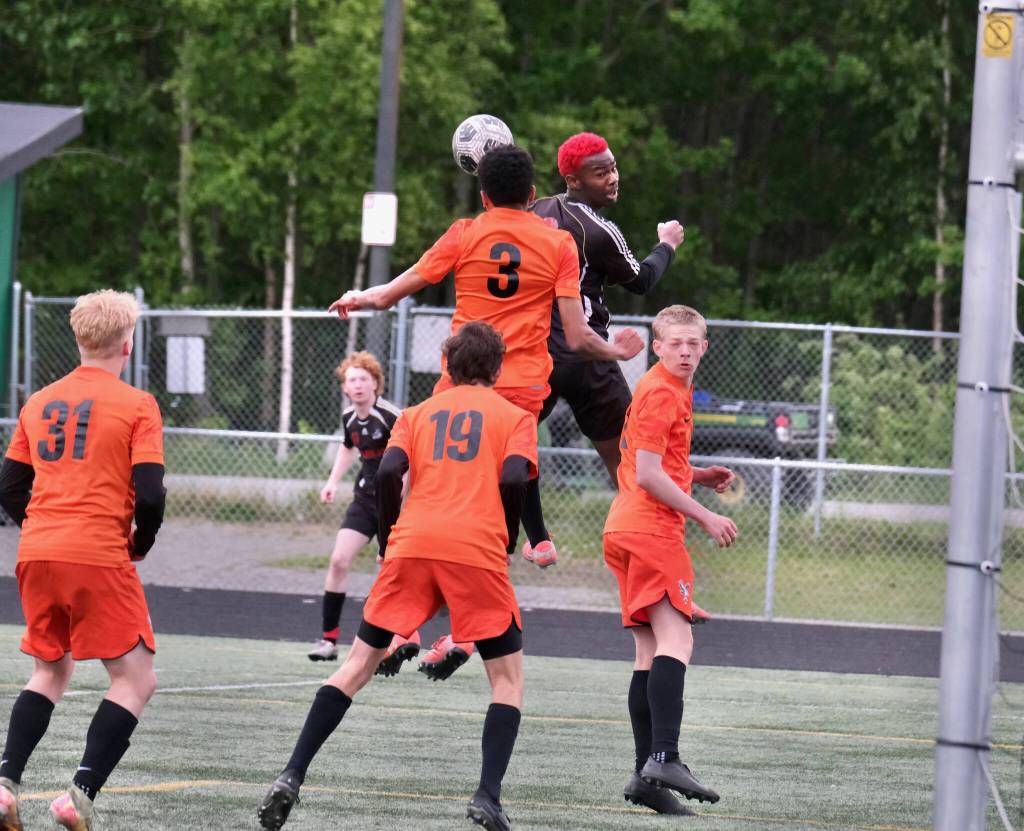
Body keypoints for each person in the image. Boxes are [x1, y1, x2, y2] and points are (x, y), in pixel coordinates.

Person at [328, 144, 643, 680]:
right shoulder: (558, 241)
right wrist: (619, 352)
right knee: (489, 520)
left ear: (481, 193)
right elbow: (577, 336)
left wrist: (360, 295)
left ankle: (403, 625)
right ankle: (483, 614)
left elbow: (393, 294)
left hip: (454, 391)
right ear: (533, 194)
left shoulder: (463, 234)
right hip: (515, 397)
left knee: (422, 502)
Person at [257, 322, 536, 831]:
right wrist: (510, 539)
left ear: (447, 368)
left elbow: (387, 474)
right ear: (498, 369)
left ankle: (291, 774)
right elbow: (515, 477)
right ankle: (487, 797)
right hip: (474, 549)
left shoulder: (414, 414)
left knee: (357, 666)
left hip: (412, 544)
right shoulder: (515, 416)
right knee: (508, 680)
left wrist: (389, 540)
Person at [0, 290, 166, 831]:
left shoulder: (38, 401)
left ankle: (4, 786)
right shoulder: (137, 404)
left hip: (37, 551)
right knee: (135, 679)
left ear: (78, 339)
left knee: (51, 668)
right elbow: (150, 495)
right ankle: (79, 794)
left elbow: (8, 486)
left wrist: (42, 526)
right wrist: (139, 542)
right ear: (128, 343)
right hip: (96, 553)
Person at [520, 131, 686, 568]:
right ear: (574, 180)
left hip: (535, 356)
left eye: (613, 167)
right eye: (600, 172)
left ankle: (532, 538)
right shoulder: (597, 229)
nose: (613, 178)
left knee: (507, 453)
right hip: (587, 356)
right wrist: (667, 244)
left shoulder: (534, 213)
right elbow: (641, 281)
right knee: (631, 469)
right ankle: (658, 567)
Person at [603, 304, 737, 815]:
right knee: (678, 640)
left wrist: (696, 474)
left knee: (648, 651)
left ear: (704, 346)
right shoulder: (661, 390)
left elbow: (654, 460)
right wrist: (706, 514)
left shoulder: (664, 385)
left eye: (692, 343)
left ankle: (646, 779)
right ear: (657, 347)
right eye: (674, 343)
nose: (683, 351)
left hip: (625, 527)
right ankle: (665, 756)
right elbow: (648, 476)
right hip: (650, 529)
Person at [307, 351, 418, 670]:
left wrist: (406, 500)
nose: (357, 385)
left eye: (363, 379)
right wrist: (332, 482)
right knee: (339, 561)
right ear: (344, 387)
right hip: (364, 499)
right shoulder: (349, 418)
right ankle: (329, 640)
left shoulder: (391, 416)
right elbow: (348, 446)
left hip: (394, 503)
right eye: (351, 380)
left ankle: (400, 637)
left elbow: (412, 457)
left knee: (391, 571)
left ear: (375, 384)